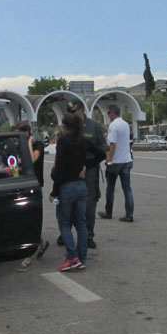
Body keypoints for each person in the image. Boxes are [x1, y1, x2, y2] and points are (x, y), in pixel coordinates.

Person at [58, 97, 108, 249]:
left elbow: (103, 148)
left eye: (73, 111)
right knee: (69, 201)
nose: (72, 115)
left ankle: (88, 235)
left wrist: (89, 165)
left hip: (90, 170)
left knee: (89, 203)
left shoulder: (93, 126)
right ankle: (65, 232)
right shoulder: (68, 126)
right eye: (69, 112)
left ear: (81, 110)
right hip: (71, 171)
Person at [50, 113, 89, 271]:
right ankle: (82, 257)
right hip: (81, 186)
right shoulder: (83, 140)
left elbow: (59, 168)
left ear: (66, 127)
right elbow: (101, 152)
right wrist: (86, 166)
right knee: (81, 223)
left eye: (62, 126)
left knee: (64, 222)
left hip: (66, 187)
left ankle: (72, 257)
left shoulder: (63, 141)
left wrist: (54, 192)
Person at [12, 121, 48, 271]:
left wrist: (28, 143)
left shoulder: (37, 144)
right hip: (20, 186)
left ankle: (27, 258)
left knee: (28, 220)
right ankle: (41, 242)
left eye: (18, 135)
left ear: (26, 133)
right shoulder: (16, 146)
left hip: (34, 186)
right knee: (22, 220)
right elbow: (14, 167)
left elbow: (32, 160)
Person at [98, 104, 134, 222]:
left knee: (110, 188)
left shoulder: (113, 125)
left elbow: (112, 144)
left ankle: (108, 212)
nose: (108, 116)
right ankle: (129, 214)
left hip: (116, 162)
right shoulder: (125, 124)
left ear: (113, 113)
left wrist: (109, 161)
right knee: (127, 188)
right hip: (127, 160)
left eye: (109, 114)